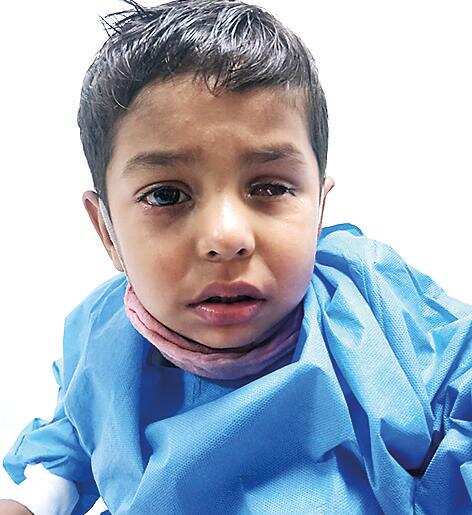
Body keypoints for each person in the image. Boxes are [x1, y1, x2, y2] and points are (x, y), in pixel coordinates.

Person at [2, 0, 471, 513]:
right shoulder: (104, 336)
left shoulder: (374, 308)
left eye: (270, 187)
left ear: (319, 211)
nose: (226, 237)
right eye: (166, 195)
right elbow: (78, 430)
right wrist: (36, 499)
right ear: (106, 231)